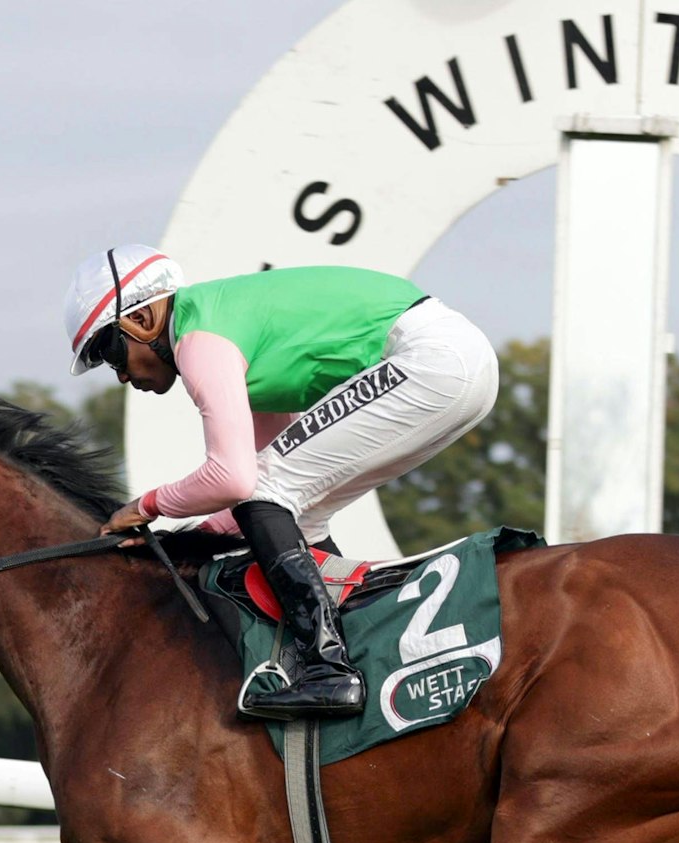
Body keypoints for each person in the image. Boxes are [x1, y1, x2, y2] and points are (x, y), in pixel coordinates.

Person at [62, 244, 500, 721]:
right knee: (295, 511)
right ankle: (351, 646)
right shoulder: (236, 337)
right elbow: (256, 493)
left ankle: (329, 671)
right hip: (454, 362)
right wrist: (179, 541)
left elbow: (234, 479)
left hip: (432, 360)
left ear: (144, 319)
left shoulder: (200, 341)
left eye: (110, 352)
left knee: (266, 492)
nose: (121, 375)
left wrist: (146, 506)